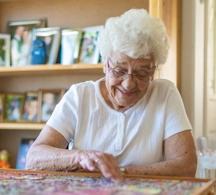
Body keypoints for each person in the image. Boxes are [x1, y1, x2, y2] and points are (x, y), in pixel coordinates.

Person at [26, 9, 197, 180]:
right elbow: (34, 158)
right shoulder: (80, 95)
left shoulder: (164, 94)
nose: (128, 83)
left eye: (142, 74)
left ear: (153, 72)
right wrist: (80, 157)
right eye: (119, 70)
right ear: (105, 64)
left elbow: (186, 166)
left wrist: (118, 172)